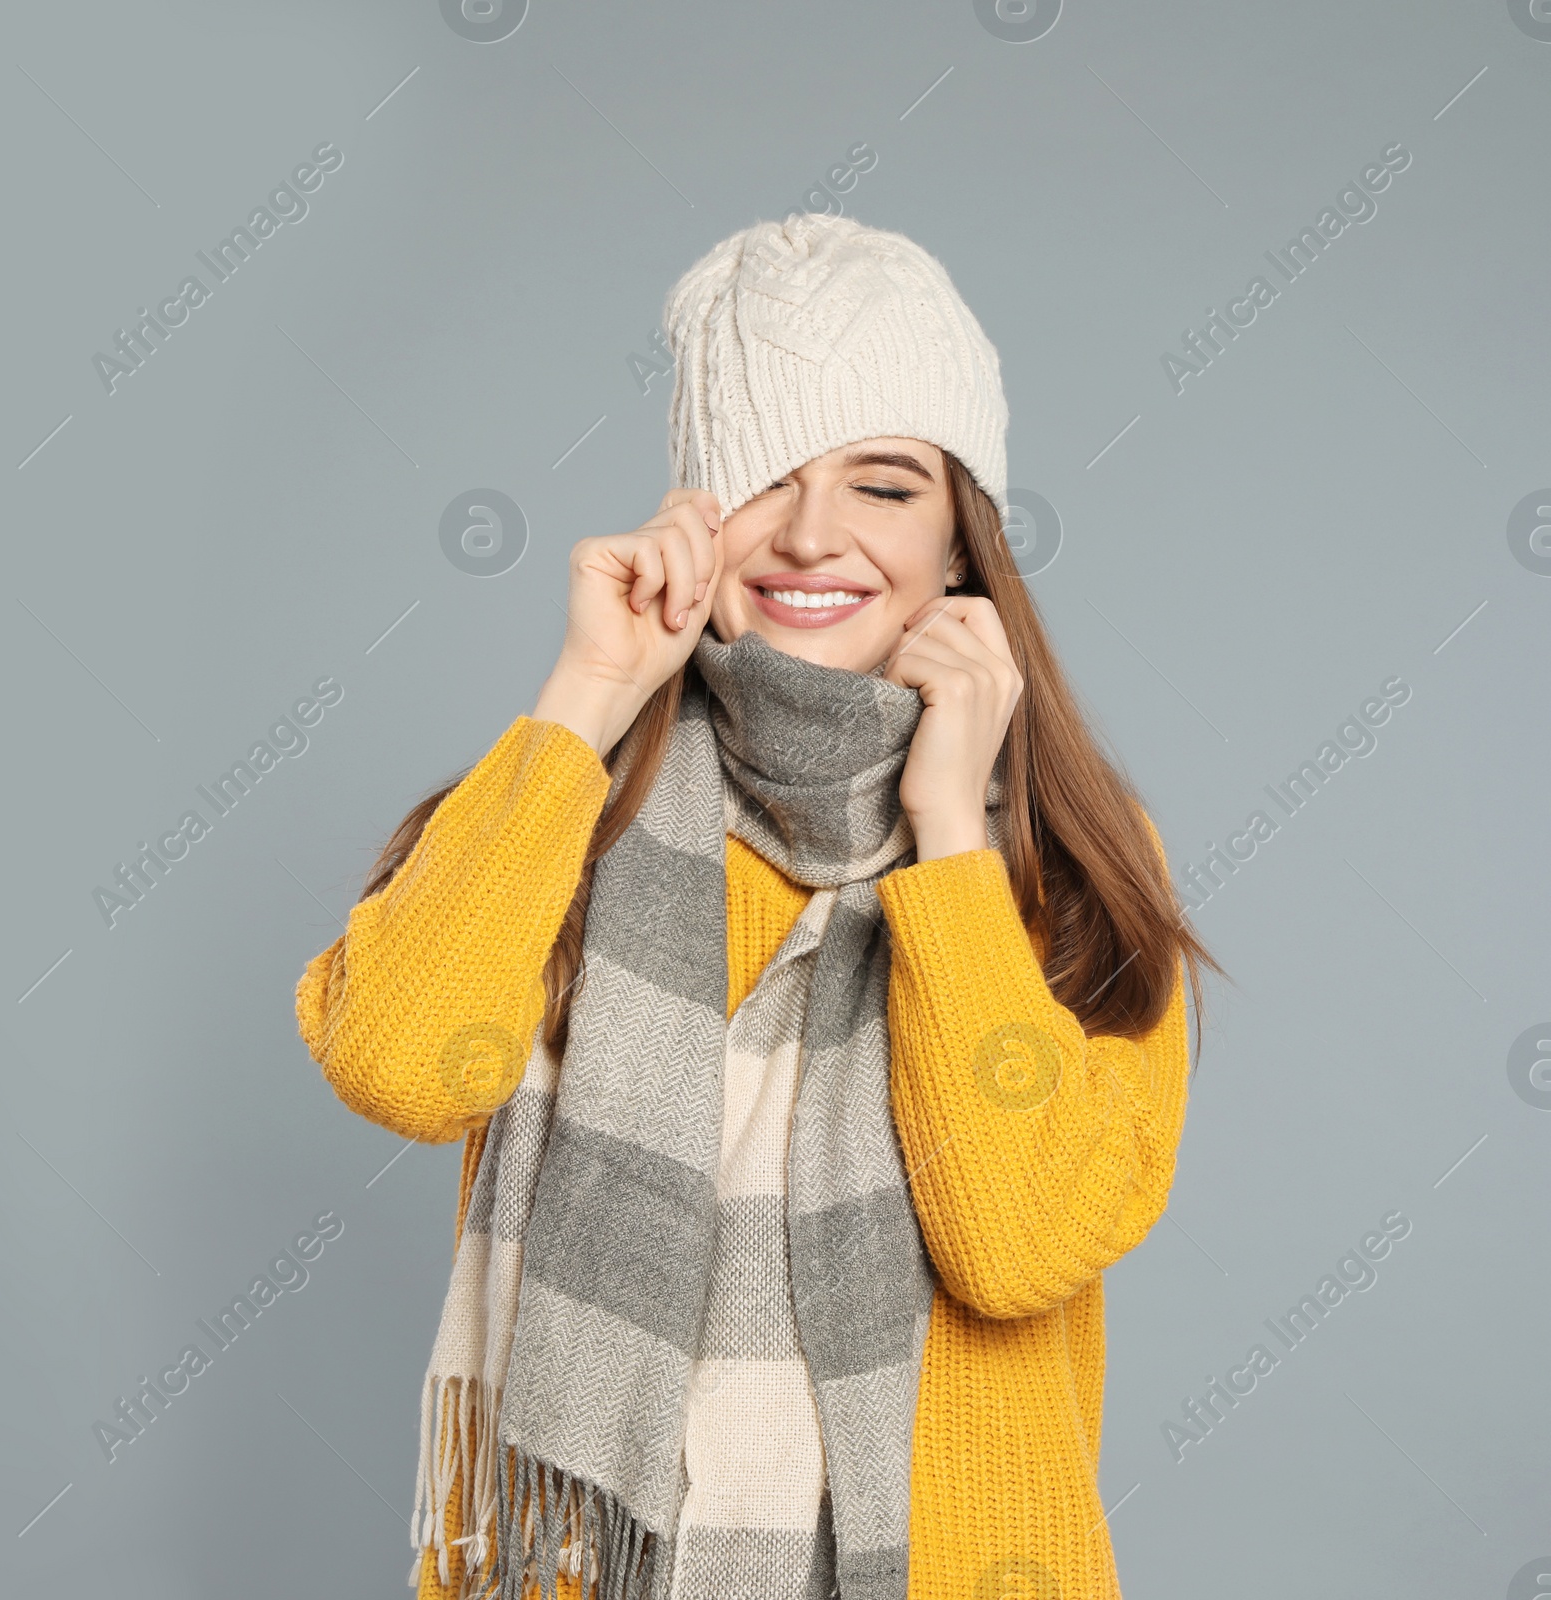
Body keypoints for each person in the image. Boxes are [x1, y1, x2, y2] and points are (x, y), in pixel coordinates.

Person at [296, 213, 1222, 1600]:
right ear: (692, 515)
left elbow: (1016, 1244)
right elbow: (404, 1068)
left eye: (885, 485)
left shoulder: (1063, 859)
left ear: (966, 541)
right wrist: (589, 694)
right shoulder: (562, 804)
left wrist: (947, 836)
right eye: (759, 478)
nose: (809, 533)